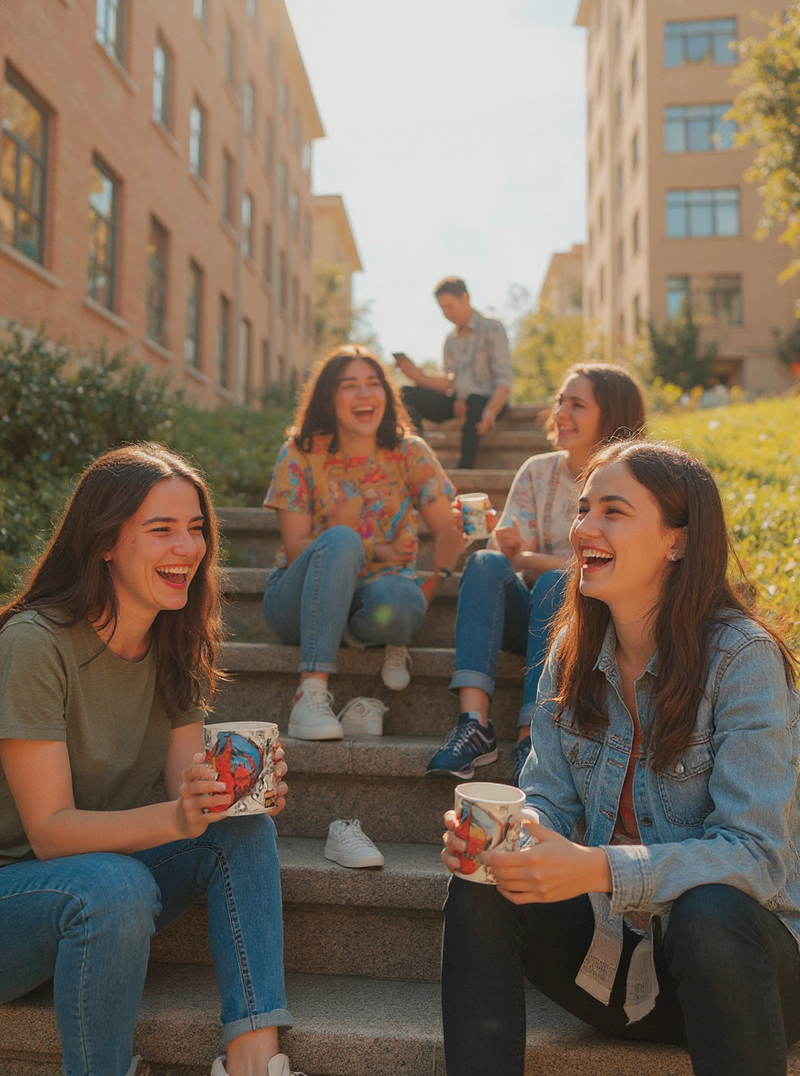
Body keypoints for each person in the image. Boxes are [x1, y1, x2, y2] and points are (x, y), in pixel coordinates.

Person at [440, 440, 800, 1076]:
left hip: (746, 976)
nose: (584, 528)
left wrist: (598, 869)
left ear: (678, 542)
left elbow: (757, 858)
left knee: (709, 907)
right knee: (483, 883)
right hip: (621, 972)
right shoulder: (573, 651)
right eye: (583, 509)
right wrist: (508, 838)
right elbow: (548, 795)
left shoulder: (741, 659)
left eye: (613, 510)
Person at [0, 443, 300, 1076]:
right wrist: (179, 817)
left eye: (195, 529)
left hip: (107, 889)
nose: (186, 548)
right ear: (105, 541)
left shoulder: (173, 642)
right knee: (116, 883)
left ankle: (253, 1059)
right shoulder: (34, 644)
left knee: (243, 829)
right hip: (17, 902)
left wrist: (234, 791)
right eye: (160, 529)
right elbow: (51, 833)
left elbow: (189, 793)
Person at [426, 363, 645, 783]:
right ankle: (474, 725)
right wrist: (505, 548)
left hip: (594, 623)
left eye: (577, 404)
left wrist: (527, 559)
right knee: (485, 563)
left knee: (553, 581)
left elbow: (613, 568)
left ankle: (532, 733)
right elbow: (503, 561)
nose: (560, 412)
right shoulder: (537, 470)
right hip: (530, 618)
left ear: (612, 416)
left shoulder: (633, 481)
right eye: (561, 400)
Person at [263, 344, 464, 741]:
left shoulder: (409, 452)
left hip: (371, 599)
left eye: (373, 384)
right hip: (295, 601)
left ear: (387, 395)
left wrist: (451, 551)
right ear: (328, 398)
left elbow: (447, 528)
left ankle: (347, 630)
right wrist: (358, 544)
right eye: (349, 386)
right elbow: (296, 546)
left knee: (404, 604)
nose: (364, 394)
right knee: (340, 539)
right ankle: (311, 691)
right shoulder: (300, 453)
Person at [397, 276, 512, 469]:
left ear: (465, 298)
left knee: (474, 401)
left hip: (488, 402)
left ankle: (463, 471)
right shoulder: (450, 339)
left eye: (450, 306)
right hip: (459, 402)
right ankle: (417, 458)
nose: (446, 313)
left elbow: (504, 380)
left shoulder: (492, 328)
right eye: (442, 308)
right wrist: (419, 377)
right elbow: (449, 381)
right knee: (405, 393)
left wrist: (490, 412)